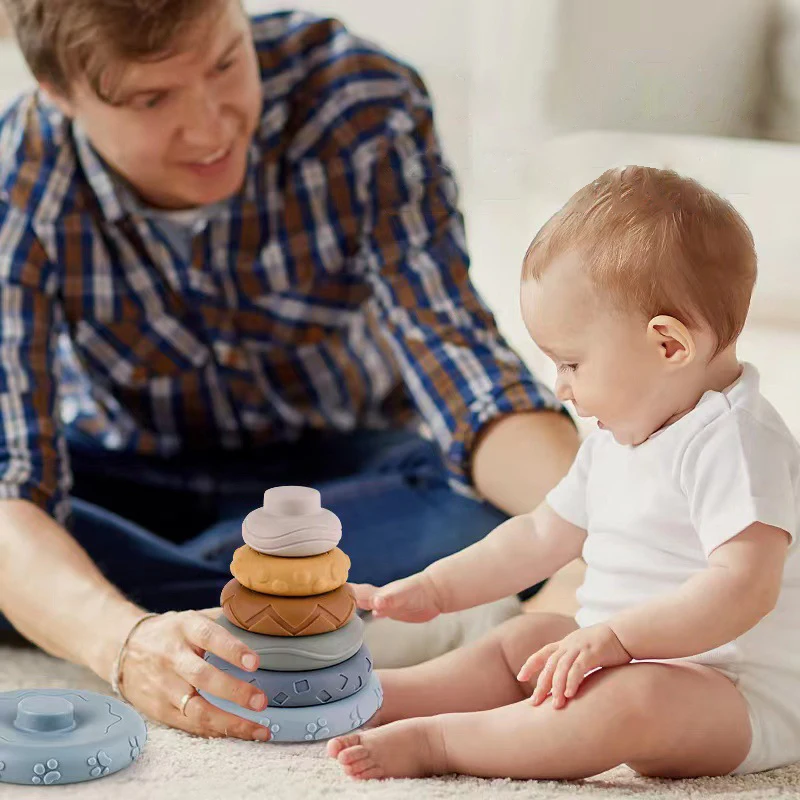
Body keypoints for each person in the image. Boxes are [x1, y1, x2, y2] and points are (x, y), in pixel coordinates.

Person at [0, 0, 578, 742]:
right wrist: (121, 644)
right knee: (20, 532)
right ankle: (316, 615)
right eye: (152, 99)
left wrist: (605, 521)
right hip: (122, 469)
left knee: (492, 513)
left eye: (224, 64)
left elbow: (465, 370)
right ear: (60, 94)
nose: (211, 126)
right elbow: (16, 477)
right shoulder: (19, 171)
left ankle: (198, 608)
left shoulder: (358, 101)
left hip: (349, 475)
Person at [328, 166, 800, 780]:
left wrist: (619, 641)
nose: (561, 387)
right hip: (619, 652)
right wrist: (437, 590)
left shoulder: (736, 441)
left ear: (668, 347)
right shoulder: (618, 433)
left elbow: (744, 588)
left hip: (736, 693)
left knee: (631, 702)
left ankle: (445, 744)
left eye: (572, 363)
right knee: (526, 643)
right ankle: (382, 696)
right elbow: (539, 537)